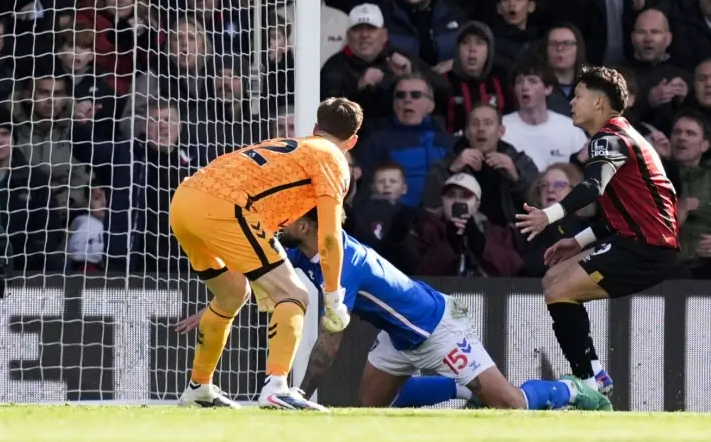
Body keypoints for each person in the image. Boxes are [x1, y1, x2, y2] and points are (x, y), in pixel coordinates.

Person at [178, 209, 611, 411]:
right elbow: (265, 280)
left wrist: (299, 394)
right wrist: (221, 305)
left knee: (511, 406)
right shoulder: (308, 250)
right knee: (374, 411)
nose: (279, 225)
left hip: (435, 326)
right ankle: (464, 390)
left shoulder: (339, 264)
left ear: (307, 226)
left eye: (287, 220)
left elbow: (330, 341)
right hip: (397, 336)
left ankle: (574, 391)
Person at [169, 97, 363, 410]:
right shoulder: (334, 159)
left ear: (315, 128)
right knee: (295, 295)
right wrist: (333, 296)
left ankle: (198, 388)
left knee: (232, 293)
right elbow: (329, 235)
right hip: (225, 206)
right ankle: (277, 387)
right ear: (352, 141)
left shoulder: (292, 143)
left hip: (184, 200)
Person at [516, 65, 679, 397]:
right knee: (552, 281)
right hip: (637, 242)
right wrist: (576, 241)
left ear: (600, 103)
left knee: (559, 291)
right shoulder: (623, 136)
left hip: (647, 248)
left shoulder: (611, 138)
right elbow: (621, 214)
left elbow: (591, 185)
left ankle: (590, 379)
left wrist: (548, 216)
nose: (572, 103)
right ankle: (593, 374)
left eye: (578, 96)